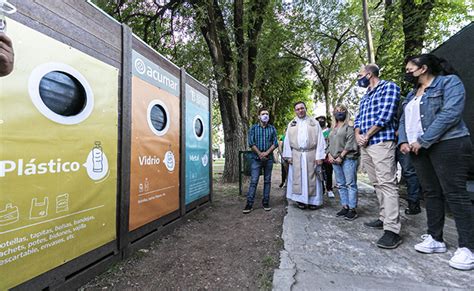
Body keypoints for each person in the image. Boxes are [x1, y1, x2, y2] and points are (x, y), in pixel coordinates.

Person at [398, 54, 474, 270]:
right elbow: (404, 119)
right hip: (417, 149)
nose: (407, 74)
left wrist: (424, 140)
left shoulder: (449, 82)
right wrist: (404, 140)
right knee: (431, 193)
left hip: (448, 143)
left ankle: (468, 248)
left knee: (455, 193)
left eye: (409, 70)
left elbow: (450, 113)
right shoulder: (412, 94)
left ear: (422, 69)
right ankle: (435, 238)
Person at [354, 63, 402, 249]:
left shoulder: (389, 87)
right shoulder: (365, 96)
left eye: (360, 74)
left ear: (369, 73)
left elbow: (386, 115)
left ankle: (392, 230)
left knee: (387, 183)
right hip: (365, 145)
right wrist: (358, 134)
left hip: (381, 142)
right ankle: (383, 217)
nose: (359, 78)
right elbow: (358, 119)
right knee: (376, 183)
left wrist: (367, 135)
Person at [282, 101, 326, 210]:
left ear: (305, 109)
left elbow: (320, 139)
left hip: (311, 154)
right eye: (297, 109)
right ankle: (300, 200)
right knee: (298, 178)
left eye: (302, 108)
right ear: (295, 111)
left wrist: (319, 156)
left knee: (313, 178)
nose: (300, 110)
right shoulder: (292, 124)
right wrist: (288, 156)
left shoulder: (314, 123)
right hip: (297, 154)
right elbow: (287, 141)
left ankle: (313, 201)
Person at [327, 104, 359, 220]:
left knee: (350, 184)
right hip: (334, 159)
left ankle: (352, 209)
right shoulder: (332, 128)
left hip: (348, 158)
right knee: (341, 184)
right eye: (337, 111)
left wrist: (341, 156)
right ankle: (345, 206)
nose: (339, 112)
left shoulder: (349, 126)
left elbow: (351, 142)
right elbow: (328, 144)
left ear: (346, 112)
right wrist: (329, 155)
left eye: (342, 110)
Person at [243, 108, 278, 214]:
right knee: (253, 182)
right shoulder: (253, 128)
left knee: (267, 181)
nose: (265, 116)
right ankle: (249, 204)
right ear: (259, 116)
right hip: (256, 159)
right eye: (263, 114)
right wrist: (259, 154)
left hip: (269, 159)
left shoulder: (272, 129)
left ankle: (266, 202)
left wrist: (266, 153)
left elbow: (275, 143)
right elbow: (251, 143)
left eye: (267, 114)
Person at [316, 115, 335, 198]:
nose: (320, 121)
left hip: (328, 155)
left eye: (322, 119)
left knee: (328, 172)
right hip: (318, 155)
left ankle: (329, 189)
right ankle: (321, 189)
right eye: (318, 120)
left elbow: (332, 142)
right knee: (319, 173)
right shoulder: (316, 131)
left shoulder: (330, 131)